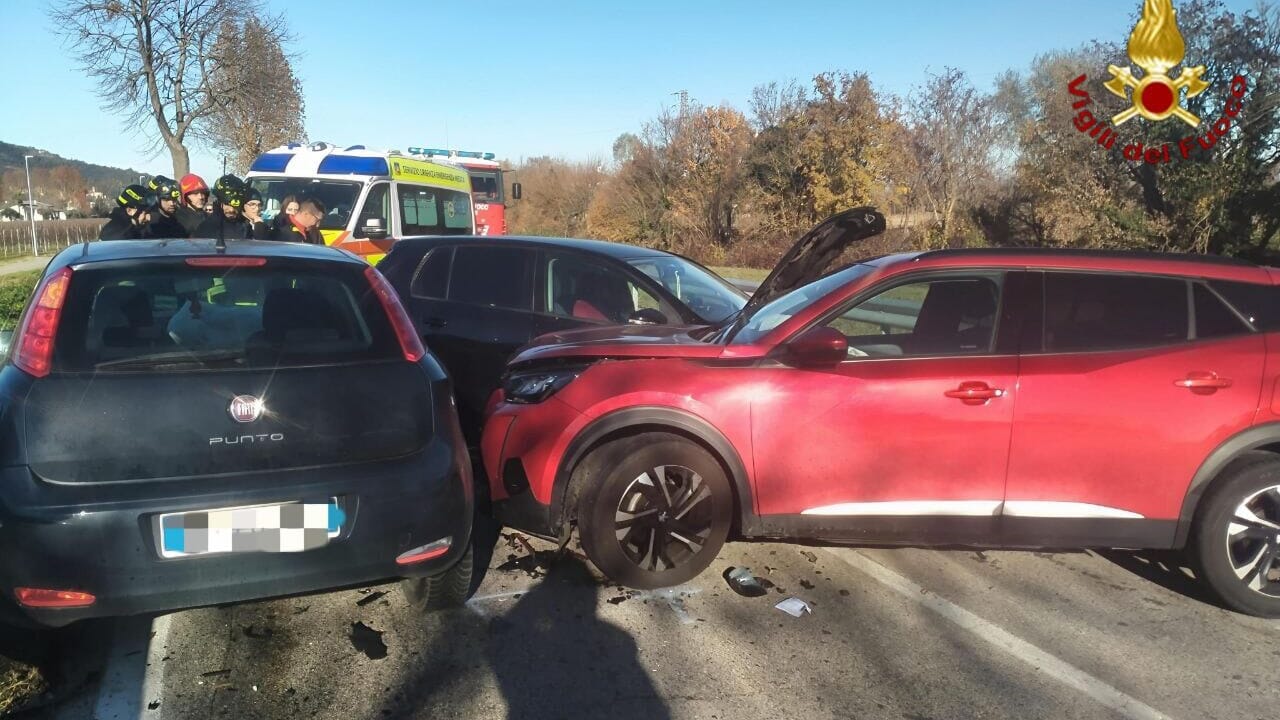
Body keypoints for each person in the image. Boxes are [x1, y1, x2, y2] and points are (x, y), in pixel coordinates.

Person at [194, 175, 253, 240]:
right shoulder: (207, 227)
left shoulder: (246, 226)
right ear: (218, 203)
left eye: (236, 206)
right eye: (227, 204)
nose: (231, 209)